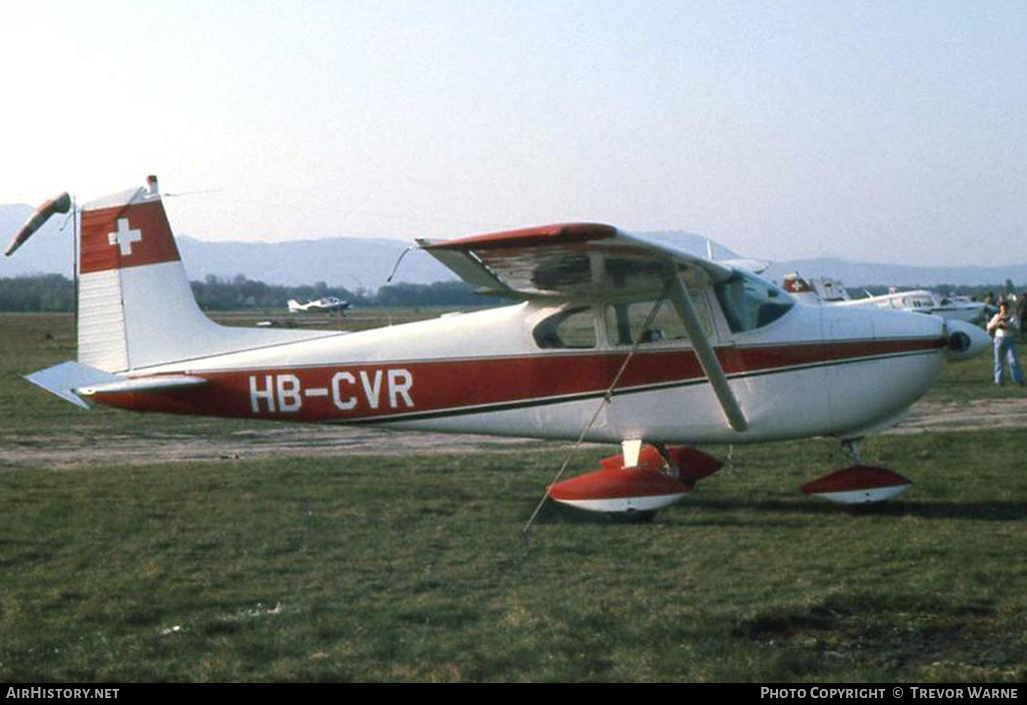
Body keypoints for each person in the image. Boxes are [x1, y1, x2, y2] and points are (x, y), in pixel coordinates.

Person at [987, 301, 1025, 386]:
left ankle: (1018, 379)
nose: (1003, 310)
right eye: (1002, 308)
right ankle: (998, 380)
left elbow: (1017, 327)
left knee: (1013, 360)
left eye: (1005, 308)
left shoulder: (1012, 317)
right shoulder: (996, 316)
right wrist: (996, 324)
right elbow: (989, 326)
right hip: (998, 339)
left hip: (1009, 338)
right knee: (998, 361)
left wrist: (1007, 326)